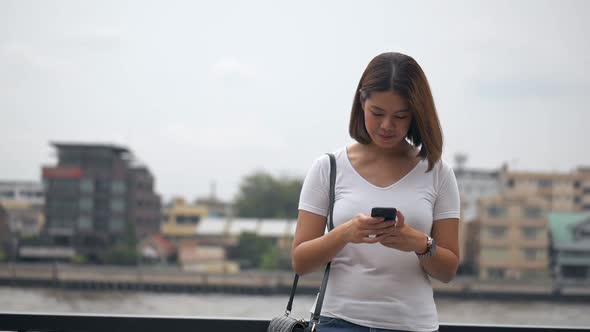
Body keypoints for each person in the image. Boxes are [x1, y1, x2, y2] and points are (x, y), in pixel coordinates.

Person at [292, 52, 460, 332]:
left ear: (415, 115)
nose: (386, 125)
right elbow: (300, 262)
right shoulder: (328, 168)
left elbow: (448, 270)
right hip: (336, 322)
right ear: (362, 103)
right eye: (377, 113)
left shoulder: (438, 172)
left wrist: (419, 243)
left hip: (412, 325)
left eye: (400, 116)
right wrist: (345, 233)